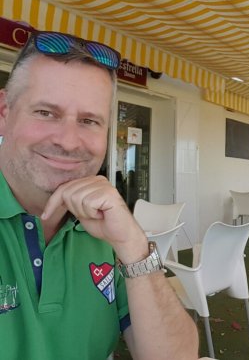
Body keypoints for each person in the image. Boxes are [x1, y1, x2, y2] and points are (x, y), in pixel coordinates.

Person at [0, 31, 199, 359]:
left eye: (89, 120)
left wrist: (133, 247)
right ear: (4, 112)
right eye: (46, 113)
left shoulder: (106, 229)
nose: (68, 141)